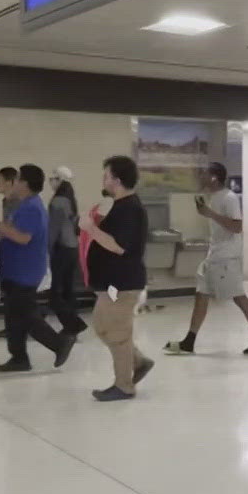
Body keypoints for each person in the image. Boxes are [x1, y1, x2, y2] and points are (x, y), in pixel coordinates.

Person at [167, 162, 248, 356]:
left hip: (227, 258)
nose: (201, 176)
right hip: (214, 256)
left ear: (214, 177)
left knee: (239, 297)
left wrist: (210, 214)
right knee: (201, 295)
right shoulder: (213, 197)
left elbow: (237, 227)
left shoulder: (229, 198)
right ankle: (189, 341)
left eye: (205, 173)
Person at [0, 164, 75, 373]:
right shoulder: (24, 204)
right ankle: (19, 357)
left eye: (18, 179)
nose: (14, 183)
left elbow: (23, 237)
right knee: (14, 316)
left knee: (25, 314)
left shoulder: (31, 207)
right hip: (15, 269)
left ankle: (58, 344)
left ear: (25, 183)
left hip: (24, 270)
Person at [85, 156, 153, 401]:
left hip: (122, 283)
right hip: (112, 283)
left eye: (106, 176)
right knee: (104, 326)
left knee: (117, 332)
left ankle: (124, 386)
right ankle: (139, 362)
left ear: (117, 179)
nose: (103, 180)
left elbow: (119, 246)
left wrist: (91, 229)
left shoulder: (129, 209)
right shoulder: (119, 207)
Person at [46, 166, 87, 338]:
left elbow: (53, 230)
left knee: (54, 292)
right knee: (69, 291)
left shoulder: (58, 201)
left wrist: (46, 252)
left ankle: (73, 325)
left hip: (61, 249)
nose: (50, 182)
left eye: (52, 179)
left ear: (59, 180)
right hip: (72, 249)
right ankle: (72, 328)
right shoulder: (71, 199)